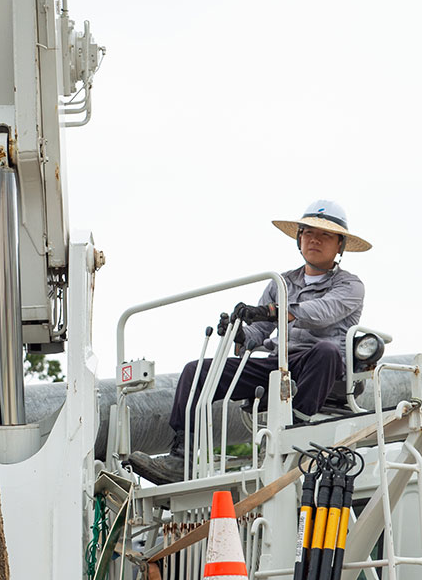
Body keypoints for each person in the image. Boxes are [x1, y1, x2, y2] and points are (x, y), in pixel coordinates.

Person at [128, 199, 371, 485]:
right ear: (298, 238)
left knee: (326, 352)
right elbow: (258, 334)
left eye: (325, 235)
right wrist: (241, 333)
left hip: (318, 368)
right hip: (277, 363)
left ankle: (294, 430)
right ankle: (181, 457)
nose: (314, 239)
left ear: (339, 245)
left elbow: (321, 314)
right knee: (197, 371)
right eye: (307, 232)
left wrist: (273, 311)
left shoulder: (350, 285)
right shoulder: (281, 282)